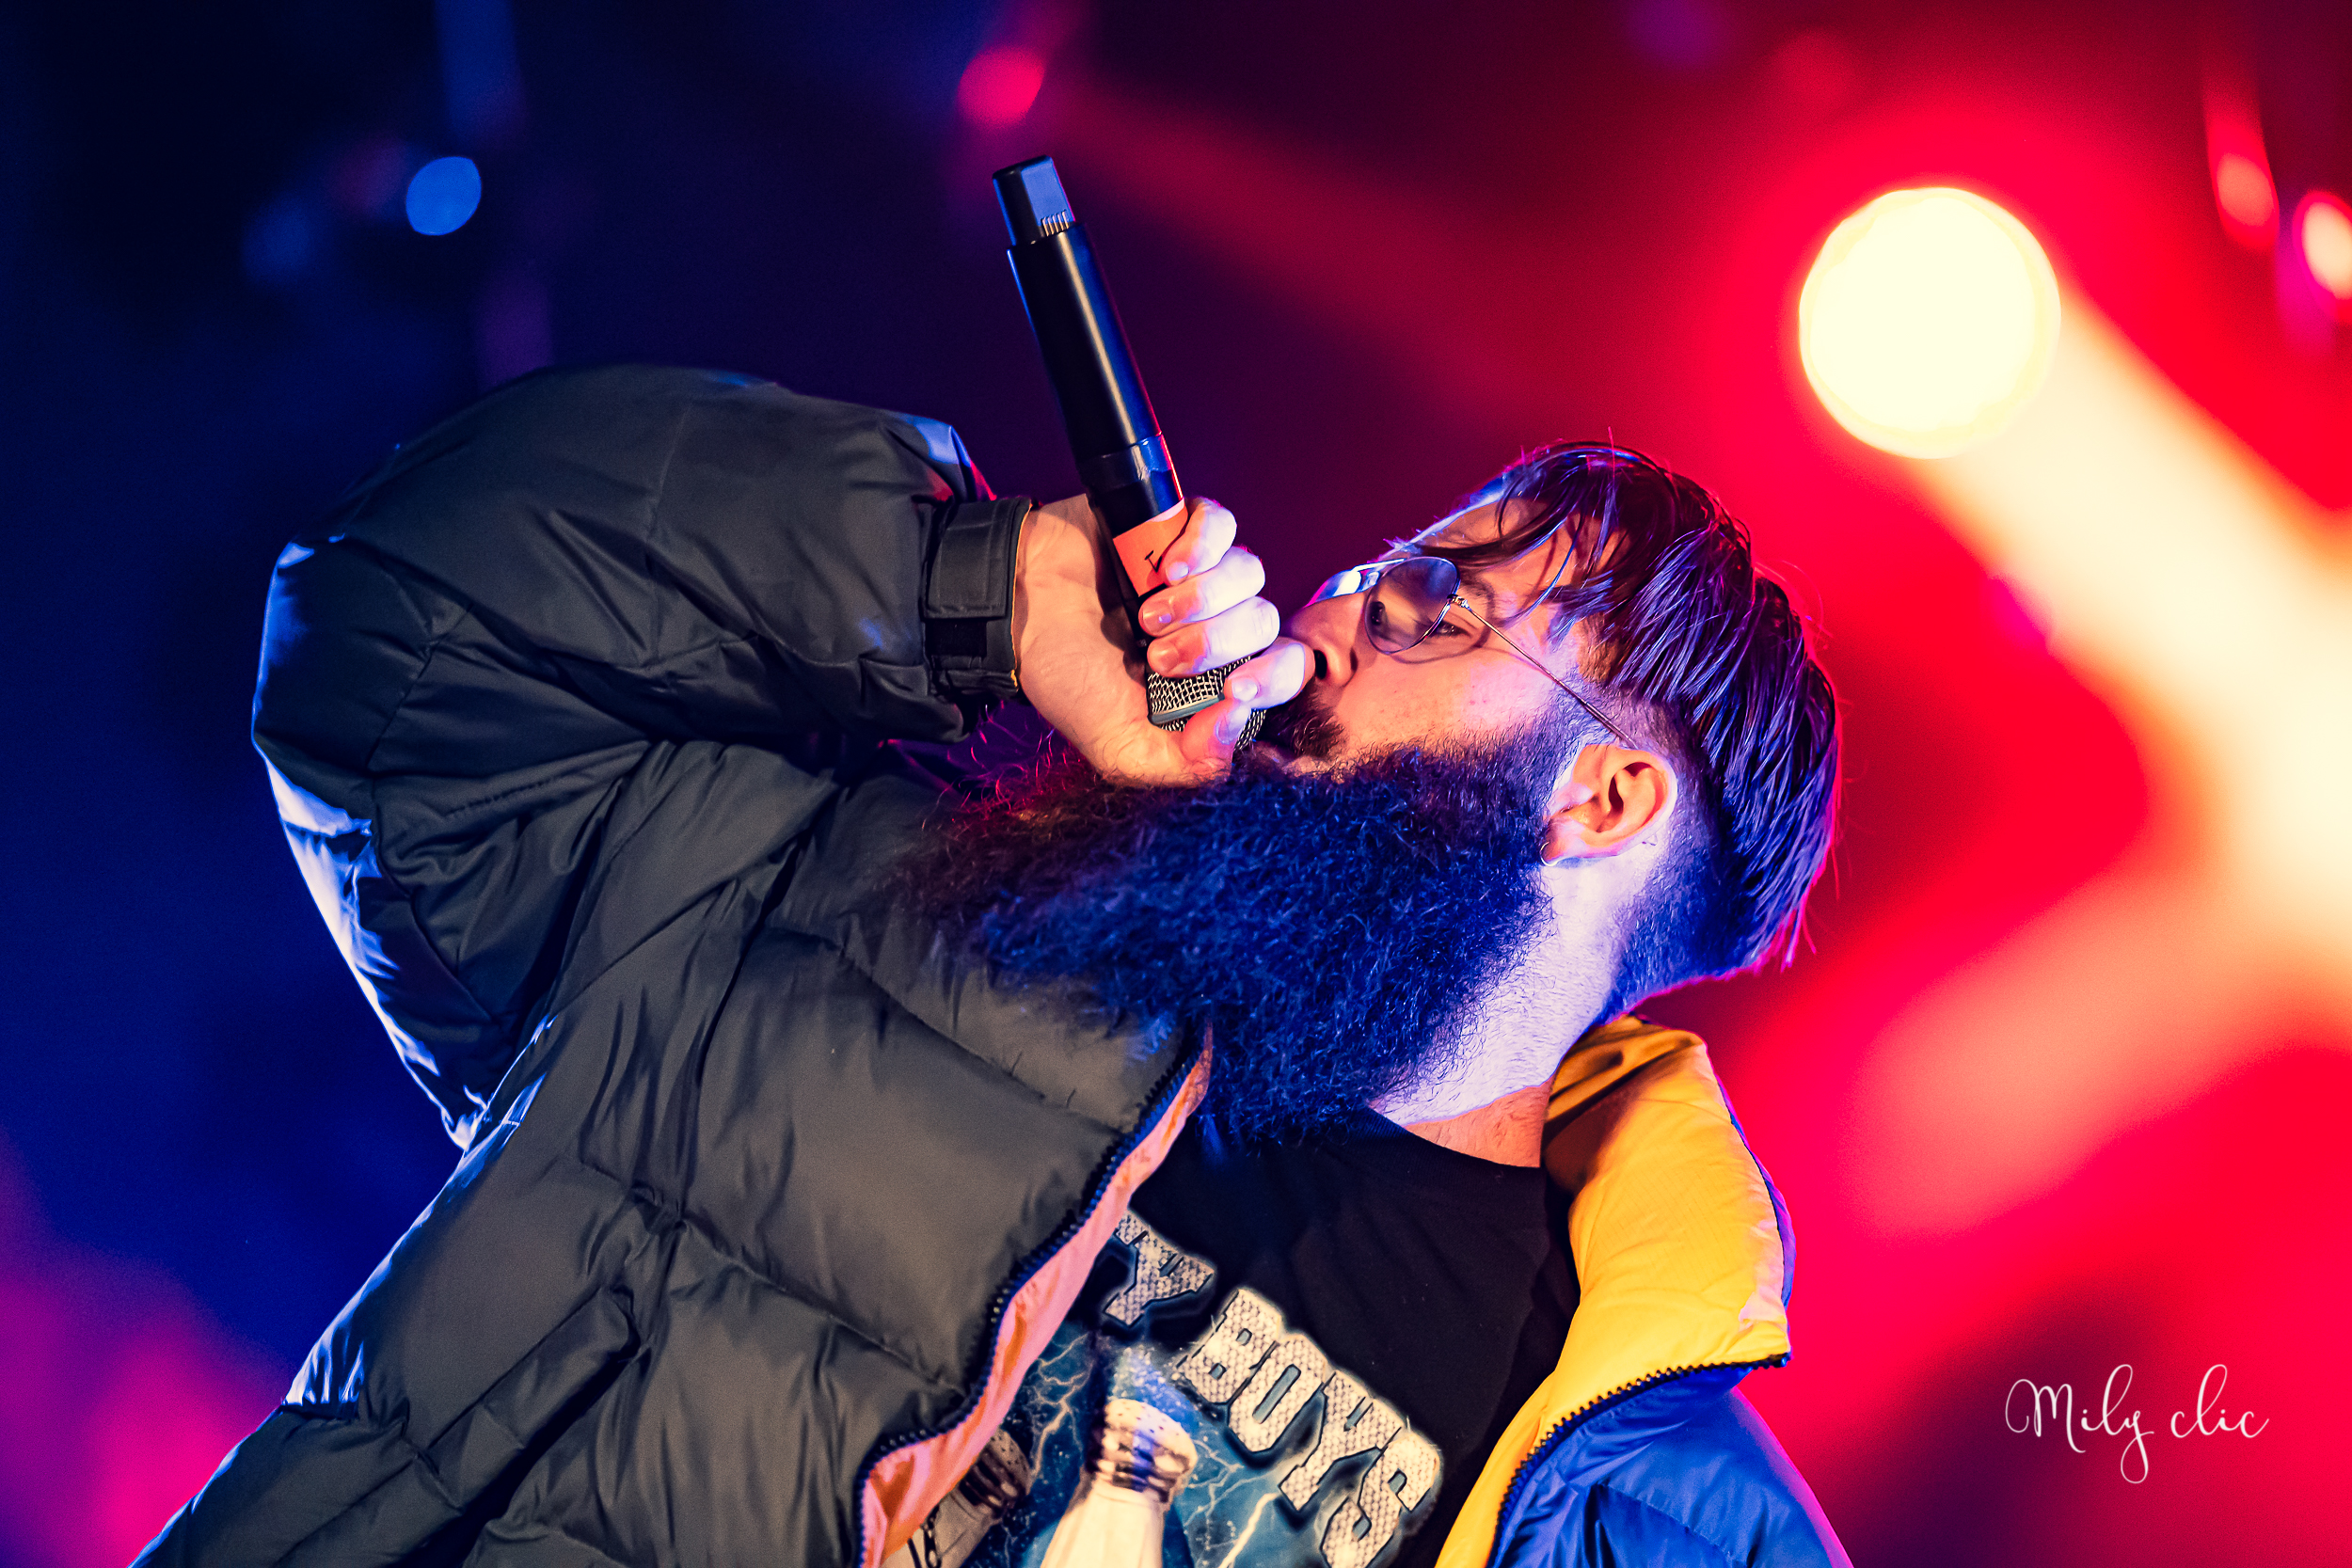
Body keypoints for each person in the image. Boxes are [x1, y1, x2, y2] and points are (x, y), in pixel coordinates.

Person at [137, 364, 1847, 1567]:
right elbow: (396, 635)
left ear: (1605, 800)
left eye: (1429, 610)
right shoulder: (876, 908)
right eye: (1362, 580)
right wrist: (967, 588)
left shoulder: (1639, 1509)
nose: (1325, 625)